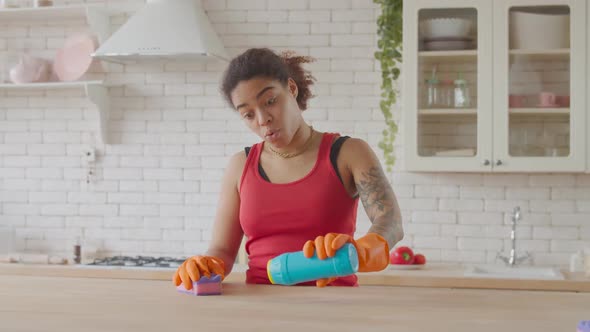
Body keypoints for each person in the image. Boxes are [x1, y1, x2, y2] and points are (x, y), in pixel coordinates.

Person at [173, 48, 404, 288]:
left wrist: (362, 251)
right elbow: (222, 250)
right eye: (248, 114)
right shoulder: (240, 165)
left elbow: (391, 222)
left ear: (291, 89)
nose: (263, 119)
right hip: (259, 308)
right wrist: (206, 266)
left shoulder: (348, 153)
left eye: (270, 101)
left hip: (334, 306)